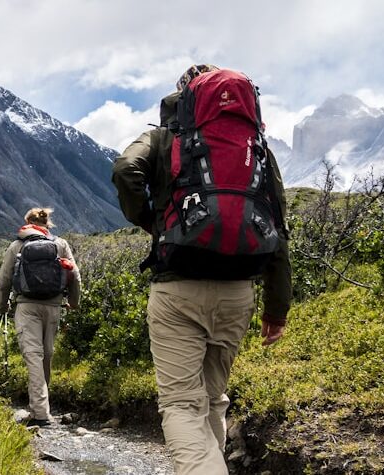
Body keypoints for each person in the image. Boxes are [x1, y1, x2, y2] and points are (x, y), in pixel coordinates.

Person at [111, 64, 292, 474]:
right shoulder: (256, 147)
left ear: (185, 98)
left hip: (178, 289)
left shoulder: (164, 138)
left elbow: (125, 170)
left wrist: (152, 221)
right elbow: (277, 226)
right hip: (238, 293)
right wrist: (277, 308)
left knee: (181, 404)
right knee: (212, 397)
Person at [0, 207, 81, 427]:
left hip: (27, 307)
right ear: (47, 224)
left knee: (33, 355)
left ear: (27, 223)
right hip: (53, 306)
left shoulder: (17, 246)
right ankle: (42, 406)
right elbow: (75, 275)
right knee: (46, 355)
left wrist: (3, 306)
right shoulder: (60, 244)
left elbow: (4, 281)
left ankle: (41, 413)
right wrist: (73, 303)